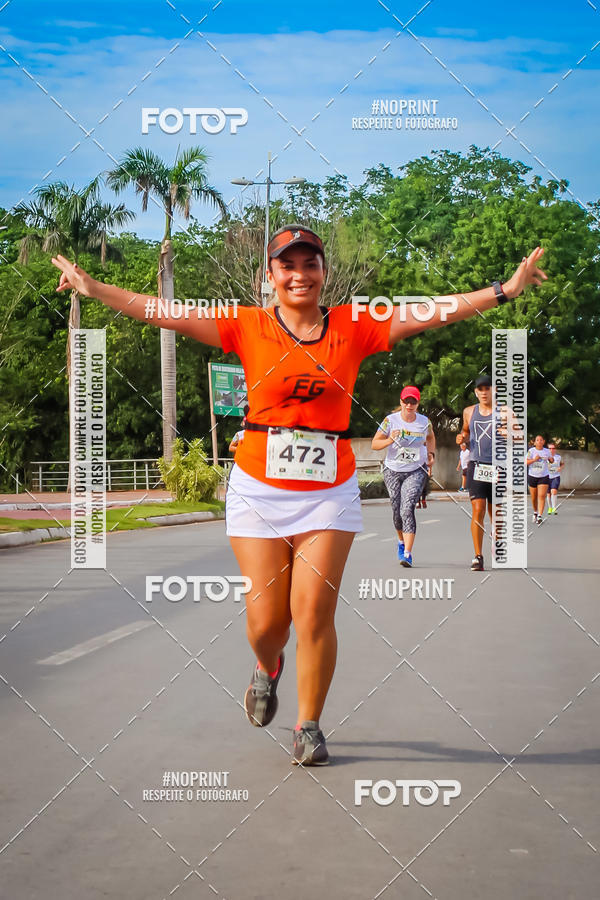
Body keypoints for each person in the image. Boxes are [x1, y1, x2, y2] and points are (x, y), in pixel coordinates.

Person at [52, 233, 546, 765]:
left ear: (323, 272)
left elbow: (431, 311)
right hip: (258, 491)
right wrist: (95, 288)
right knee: (268, 623)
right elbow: (165, 312)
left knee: (312, 614)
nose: (299, 274)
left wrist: (504, 290)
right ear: (270, 276)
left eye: (310, 264)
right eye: (286, 266)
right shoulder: (246, 324)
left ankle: (308, 725)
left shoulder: (356, 325)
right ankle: (267, 667)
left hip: (328, 494)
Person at [371, 386, 435, 567]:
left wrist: (431, 454)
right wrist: (390, 439)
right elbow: (375, 444)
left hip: (416, 470)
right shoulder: (390, 421)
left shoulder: (424, 422)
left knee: (407, 508)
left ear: (418, 403)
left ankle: (407, 553)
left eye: (413, 402)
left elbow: (430, 438)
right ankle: (400, 541)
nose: (409, 405)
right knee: (396, 510)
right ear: (401, 402)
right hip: (393, 470)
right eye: (406, 401)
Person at [457, 375, 505, 571]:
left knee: (496, 513)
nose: (484, 392)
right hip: (477, 465)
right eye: (480, 389)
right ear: (476, 392)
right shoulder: (469, 411)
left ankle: (497, 540)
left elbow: (519, 436)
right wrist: (462, 437)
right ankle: (478, 556)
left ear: (494, 390)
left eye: (487, 388)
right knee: (478, 510)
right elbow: (466, 431)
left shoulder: (505, 412)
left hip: (498, 467)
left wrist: (509, 434)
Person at [527, 435, 554, 524]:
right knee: (534, 497)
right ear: (535, 442)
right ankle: (535, 512)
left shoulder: (547, 451)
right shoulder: (531, 451)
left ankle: (539, 516)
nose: (539, 441)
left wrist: (550, 459)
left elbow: (552, 460)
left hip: (544, 476)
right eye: (537, 440)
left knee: (542, 496)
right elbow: (526, 462)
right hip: (532, 476)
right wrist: (535, 459)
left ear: (544, 442)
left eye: (541, 440)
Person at [547, 442, 564, 514]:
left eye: (553, 448)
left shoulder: (558, 457)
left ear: (555, 449)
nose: (552, 450)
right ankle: (550, 508)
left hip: (555, 477)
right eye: (550, 448)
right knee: (548, 494)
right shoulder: (545, 457)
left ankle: (554, 508)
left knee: (553, 491)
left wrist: (560, 468)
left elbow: (562, 464)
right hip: (547, 477)